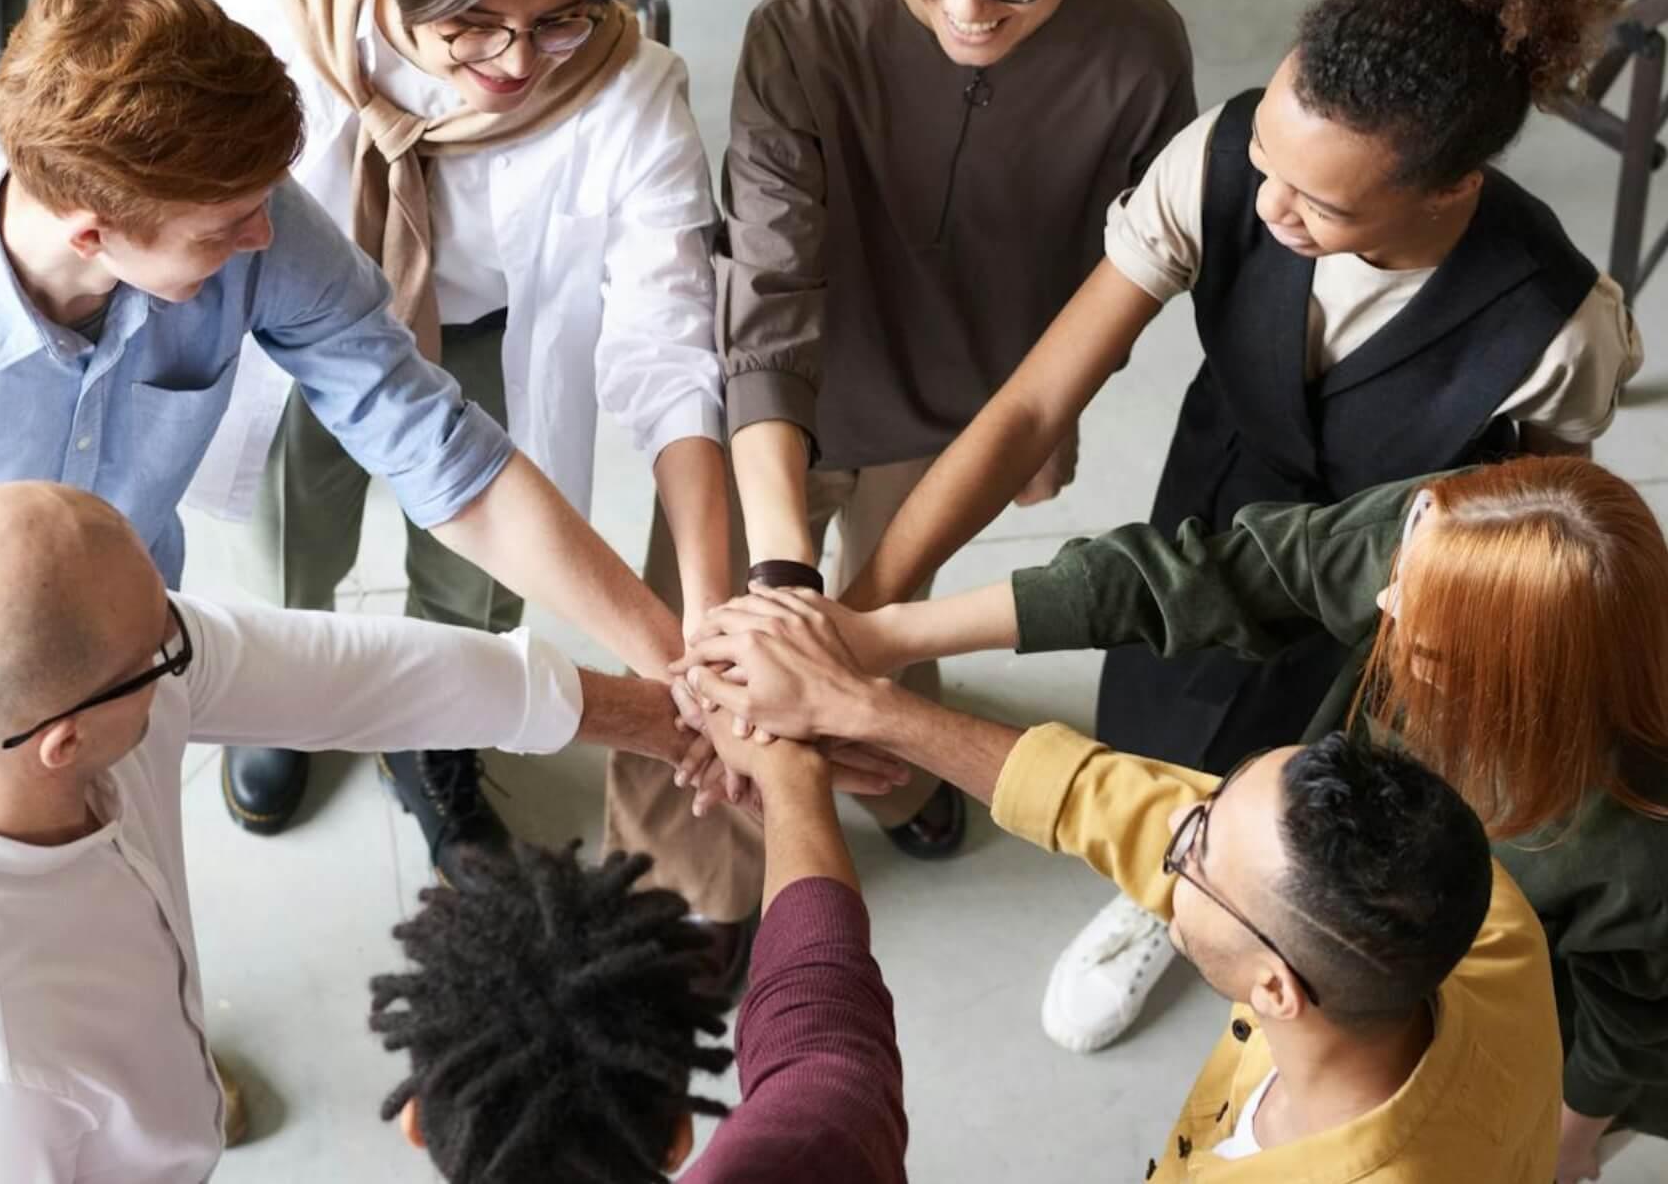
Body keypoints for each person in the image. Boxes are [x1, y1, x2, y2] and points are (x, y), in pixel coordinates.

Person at [838, 0, 1642, 1053]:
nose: (1269, 208)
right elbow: (1027, 408)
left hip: (1388, 598)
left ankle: (1258, 924)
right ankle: (1162, 892)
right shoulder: (1218, 164)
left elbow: (1536, 530)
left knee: (1317, 798)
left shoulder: (1561, 327)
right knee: (1163, 710)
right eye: (1266, 156)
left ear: (1452, 189)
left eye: (1318, 202)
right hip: (1216, 498)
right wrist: (866, 611)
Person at [0, 0, 707, 878]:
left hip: (132, 657)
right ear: (90, 235)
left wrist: (675, 666)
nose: (261, 239)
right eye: (225, 229)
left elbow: (439, 448)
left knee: (139, 897)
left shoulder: (241, 205)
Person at [708, 455, 1667, 1179]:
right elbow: (1121, 790)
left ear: (1277, 988)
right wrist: (868, 693)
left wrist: (1568, 1145)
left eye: (1194, 850)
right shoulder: (1490, 923)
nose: (1380, 598)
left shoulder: (1614, 865)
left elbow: (1633, 1023)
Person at [605, 0, 1196, 976]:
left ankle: (893, 772)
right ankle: (694, 870)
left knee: (895, 606)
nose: (970, 7)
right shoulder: (808, 20)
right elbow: (769, 294)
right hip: (784, 402)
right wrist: (783, 589)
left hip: (969, 412)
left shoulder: (1140, 50)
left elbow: (1116, 275)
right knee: (710, 617)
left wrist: (1056, 414)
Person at [0, 480, 741, 1181]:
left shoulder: (24, 692)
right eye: (164, 654)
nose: (187, 652)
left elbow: (364, 676)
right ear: (66, 743)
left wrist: (661, 720)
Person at [186, 0, 731, 852]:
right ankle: (285, 703)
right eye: (475, 27)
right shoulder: (270, 16)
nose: (519, 64)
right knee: (290, 535)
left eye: (556, 20)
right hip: (301, 331)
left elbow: (669, 343)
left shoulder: (629, 87)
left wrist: (699, 615)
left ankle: (439, 728)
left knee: (478, 573)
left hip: (485, 330)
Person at [372, 699, 908, 1182]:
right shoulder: (824, 1150)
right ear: (679, 1140)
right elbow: (822, 1024)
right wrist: (791, 780)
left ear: (414, 1121)